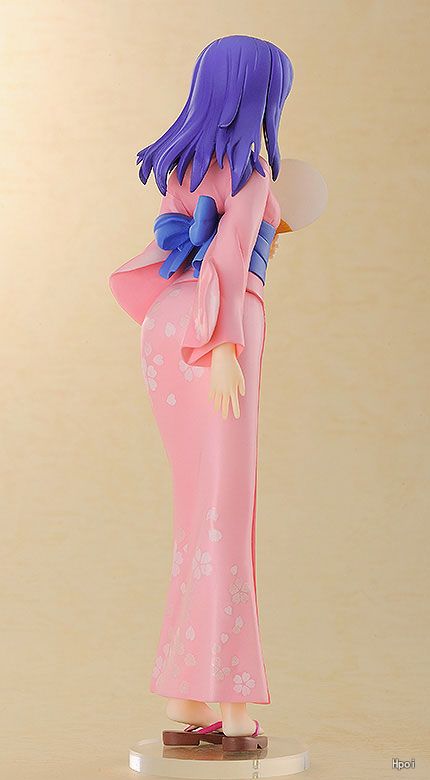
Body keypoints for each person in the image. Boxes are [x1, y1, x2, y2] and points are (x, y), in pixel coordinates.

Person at [109, 34, 293, 750]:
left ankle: (187, 694)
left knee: (197, 511)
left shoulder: (187, 165)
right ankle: (236, 708)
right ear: (261, 94)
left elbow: (195, 244)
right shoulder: (249, 173)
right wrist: (222, 349)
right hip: (218, 332)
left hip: (166, 324)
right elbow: (228, 256)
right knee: (226, 512)